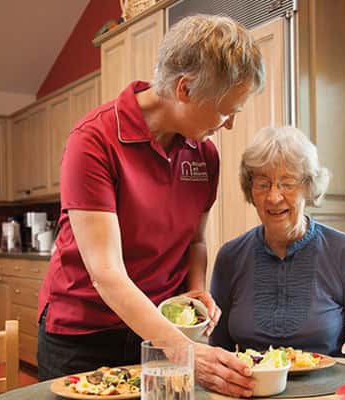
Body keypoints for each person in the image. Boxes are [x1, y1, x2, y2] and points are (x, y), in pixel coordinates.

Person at [37, 14, 264, 397]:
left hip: (162, 333)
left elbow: (195, 242)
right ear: (185, 89)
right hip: (84, 336)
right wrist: (187, 352)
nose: (228, 126)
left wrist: (195, 291)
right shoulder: (93, 141)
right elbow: (106, 274)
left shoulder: (205, 154)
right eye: (227, 111)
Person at [210, 126, 345, 356]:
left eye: (287, 184)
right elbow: (219, 351)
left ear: (309, 186)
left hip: (328, 390)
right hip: (251, 390)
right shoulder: (230, 257)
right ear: (250, 190)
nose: (273, 197)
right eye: (263, 184)